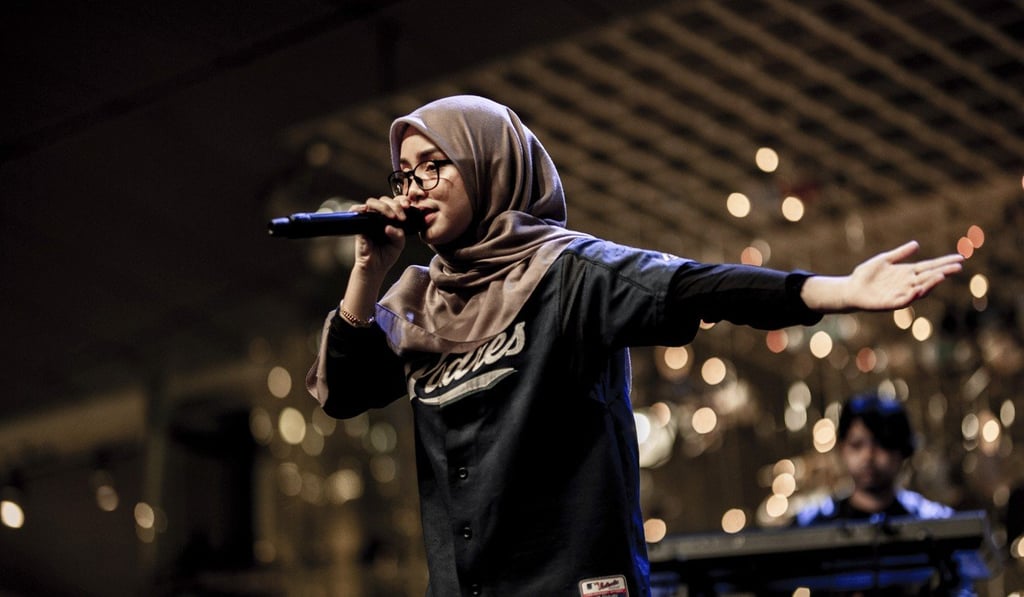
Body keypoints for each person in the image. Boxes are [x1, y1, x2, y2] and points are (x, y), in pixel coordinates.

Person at [305, 95, 963, 597]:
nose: (413, 186)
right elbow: (342, 392)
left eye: (434, 166)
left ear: (489, 166)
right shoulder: (418, 301)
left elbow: (694, 286)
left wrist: (834, 290)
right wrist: (369, 268)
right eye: (403, 173)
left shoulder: (565, 273)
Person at [794, 394, 977, 596]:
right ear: (842, 449)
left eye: (882, 444)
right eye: (857, 445)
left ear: (902, 451)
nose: (868, 456)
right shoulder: (812, 524)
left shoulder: (935, 522)